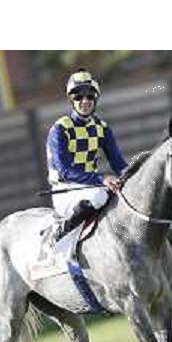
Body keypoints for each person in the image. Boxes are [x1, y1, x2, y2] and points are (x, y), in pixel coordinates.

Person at [46, 68, 128, 241]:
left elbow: (119, 165)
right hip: (64, 190)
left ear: (96, 98)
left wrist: (136, 177)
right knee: (99, 196)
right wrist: (101, 179)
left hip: (91, 187)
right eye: (78, 96)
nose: (85, 101)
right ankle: (60, 234)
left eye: (90, 96)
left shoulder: (102, 128)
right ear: (71, 100)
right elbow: (64, 171)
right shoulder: (60, 129)